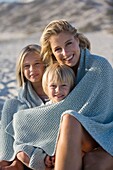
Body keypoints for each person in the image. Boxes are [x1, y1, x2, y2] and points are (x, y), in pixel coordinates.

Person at [39, 19, 113, 170]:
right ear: (52, 52)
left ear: (77, 40)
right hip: (76, 137)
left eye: (68, 44)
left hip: (105, 133)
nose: (65, 53)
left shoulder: (99, 66)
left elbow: (104, 114)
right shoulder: (56, 74)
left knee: (69, 117)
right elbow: (50, 109)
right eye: (58, 49)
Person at [0, 44, 50, 170]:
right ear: (21, 70)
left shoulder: (57, 92)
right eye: (26, 66)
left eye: (37, 64)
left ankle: (22, 162)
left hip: (47, 149)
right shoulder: (18, 102)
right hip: (23, 151)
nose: (32, 70)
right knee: (11, 105)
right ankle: (11, 162)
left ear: (45, 64)